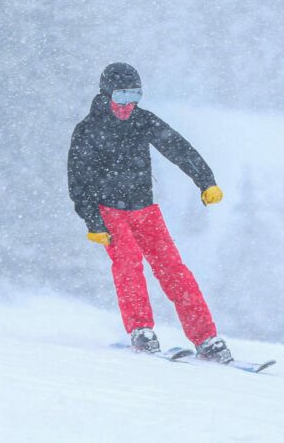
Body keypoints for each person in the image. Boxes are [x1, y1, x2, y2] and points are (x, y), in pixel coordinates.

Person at [67, 62, 232, 363]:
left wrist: (205, 181)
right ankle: (141, 330)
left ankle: (206, 338)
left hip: (146, 211)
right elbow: (79, 182)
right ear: (106, 95)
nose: (128, 104)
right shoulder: (88, 130)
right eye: (121, 96)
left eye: (135, 95)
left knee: (174, 271)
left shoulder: (143, 121)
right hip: (110, 213)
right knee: (129, 266)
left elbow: (178, 148)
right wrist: (93, 221)